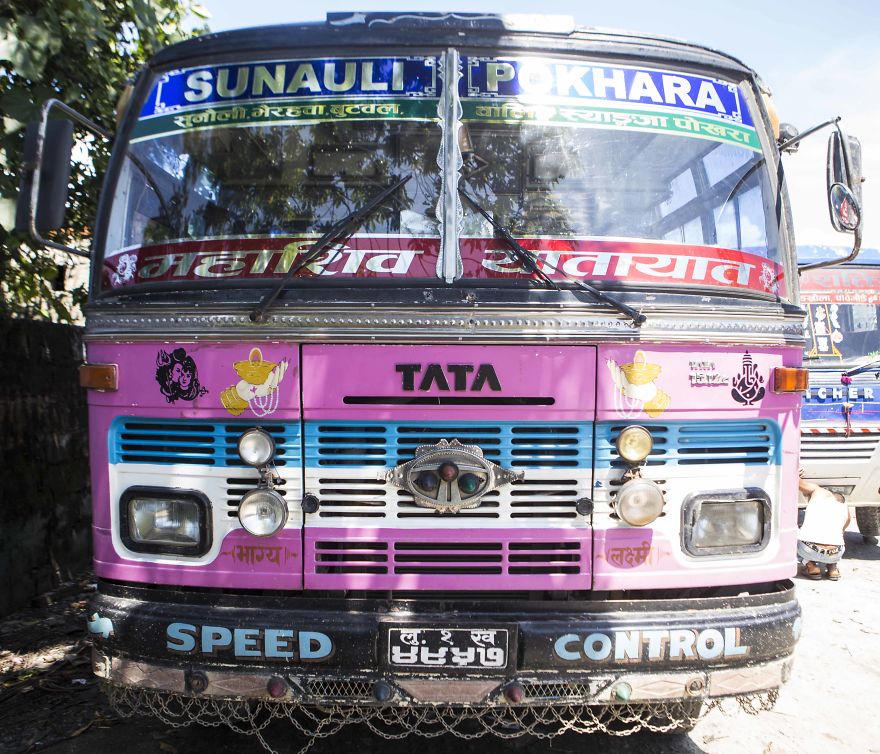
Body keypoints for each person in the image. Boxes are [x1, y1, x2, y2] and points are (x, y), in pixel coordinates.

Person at [797, 470, 851, 580]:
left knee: (791, 531)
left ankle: (811, 566)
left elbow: (796, 482)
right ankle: (832, 568)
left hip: (810, 550)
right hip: (836, 553)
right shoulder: (843, 504)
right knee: (838, 535)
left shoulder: (817, 491)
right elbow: (844, 528)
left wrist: (796, 474)